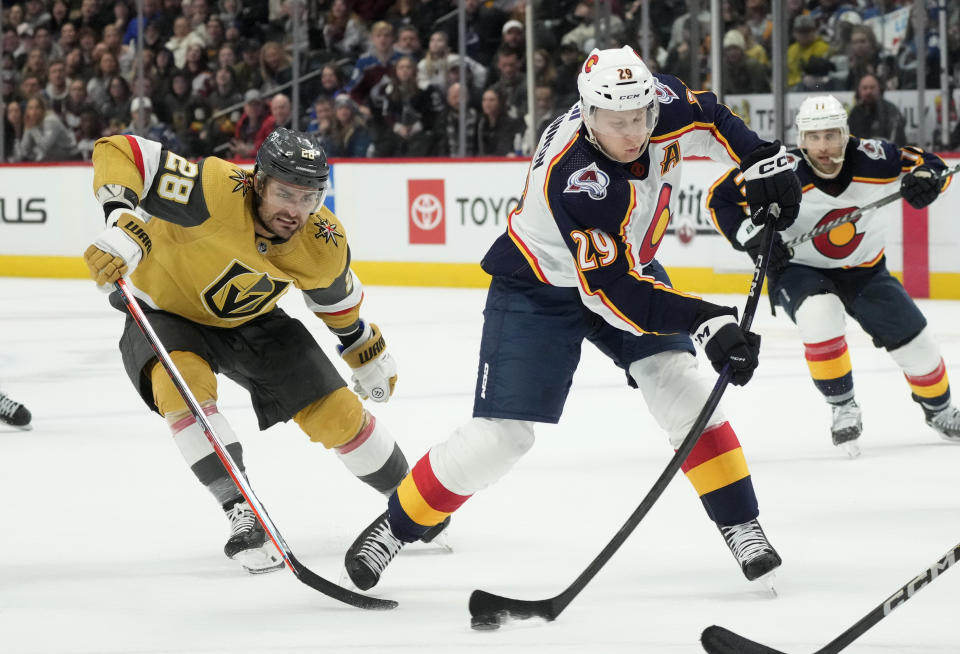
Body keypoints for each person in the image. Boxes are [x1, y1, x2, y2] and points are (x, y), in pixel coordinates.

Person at [343, 45, 802, 592]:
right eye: (616, 122)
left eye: (640, 118)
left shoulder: (659, 103)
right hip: (541, 285)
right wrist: (708, 320)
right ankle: (395, 526)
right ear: (588, 115)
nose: (632, 133)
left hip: (622, 263)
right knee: (501, 439)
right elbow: (613, 295)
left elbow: (713, 119)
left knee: (680, 386)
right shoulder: (578, 175)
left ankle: (741, 525)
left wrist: (761, 160)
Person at [82, 128, 446, 573]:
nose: (295, 211)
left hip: (251, 319)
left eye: (309, 198)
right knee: (183, 392)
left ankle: (411, 501)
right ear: (258, 181)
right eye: (285, 194)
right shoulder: (213, 190)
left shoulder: (322, 239)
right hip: (165, 312)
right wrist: (120, 217)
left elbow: (335, 299)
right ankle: (243, 512)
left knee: (338, 413)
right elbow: (119, 150)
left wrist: (363, 349)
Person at [708, 95, 959, 457]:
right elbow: (720, 198)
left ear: (847, 134)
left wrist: (928, 180)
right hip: (797, 269)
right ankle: (843, 405)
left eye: (831, 135)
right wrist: (753, 237)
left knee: (918, 343)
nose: (823, 147)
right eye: (813, 137)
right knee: (819, 316)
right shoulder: (780, 167)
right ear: (800, 139)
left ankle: (941, 410)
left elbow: (929, 165)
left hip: (865, 269)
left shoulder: (876, 157)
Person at [847, 73, 906, 146]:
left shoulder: (890, 110)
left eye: (872, 88)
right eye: (865, 88)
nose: (868, 91)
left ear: (879, 89)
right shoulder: (855, 113)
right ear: (859, 91)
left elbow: (897, 142)